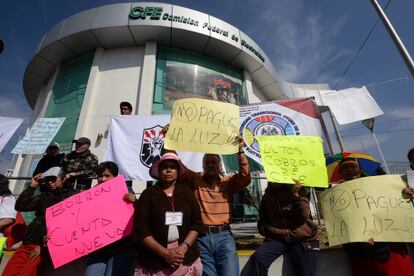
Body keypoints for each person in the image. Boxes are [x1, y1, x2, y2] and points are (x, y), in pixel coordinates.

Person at [179, 136, 251, 276]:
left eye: (214, 162)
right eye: (207, 162)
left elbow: (245, 176)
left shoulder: (228, 182)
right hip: (201, 237)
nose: (210, 165)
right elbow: (180, 168)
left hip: (224, 236)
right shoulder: (195, 180)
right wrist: (168, 141)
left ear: (220, 165)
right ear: (203, 166)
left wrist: (240, 150)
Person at [338, 157, 414, 276]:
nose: (349, 170)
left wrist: (403, 192)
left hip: (389, 245)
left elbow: (393, 199)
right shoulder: (336, 193)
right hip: (359, 250)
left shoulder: (377, 185)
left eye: (353, 166)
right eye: (345, 167)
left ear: (359, 169)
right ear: (340, 172)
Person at [133, 152, 203, 275]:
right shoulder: (148, 194)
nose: (169, 170)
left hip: (184, 255)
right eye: (165, 167)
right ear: (159, 171)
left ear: (177, 171)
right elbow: (141, 229)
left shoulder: (186, 193)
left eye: (173, 167)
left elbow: (197, 223)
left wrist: (183, 248)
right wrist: (164, 253)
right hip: (154, 257)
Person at [3, 167, 76, 276]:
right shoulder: (45, 196)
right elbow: (21, 206)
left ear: (63, 178)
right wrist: (32, 186)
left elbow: (69, 225)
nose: (50, 182)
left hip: (43, 247)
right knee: (8, 273)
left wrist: (44, 247)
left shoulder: (72, 197)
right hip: (27, 243)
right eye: (48, 180)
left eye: (53, 179)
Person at [241, 181, 319, 276]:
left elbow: (304, 215)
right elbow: (262, 220)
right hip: (277, 238)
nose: (273, 181)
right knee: (259, 258)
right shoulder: (268, 195)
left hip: (301, 238)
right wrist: (267, 230)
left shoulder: (298, 189)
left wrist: (296, 195)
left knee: (306, 271)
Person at [85, 161, 136, 276]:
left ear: (115, 177)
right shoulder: (88, 196)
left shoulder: (126, 191)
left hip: (120, 249)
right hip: (97, 250)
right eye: (100, 176)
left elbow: (136, 216)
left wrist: (135, 202)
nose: (102, 179)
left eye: (107, 176)